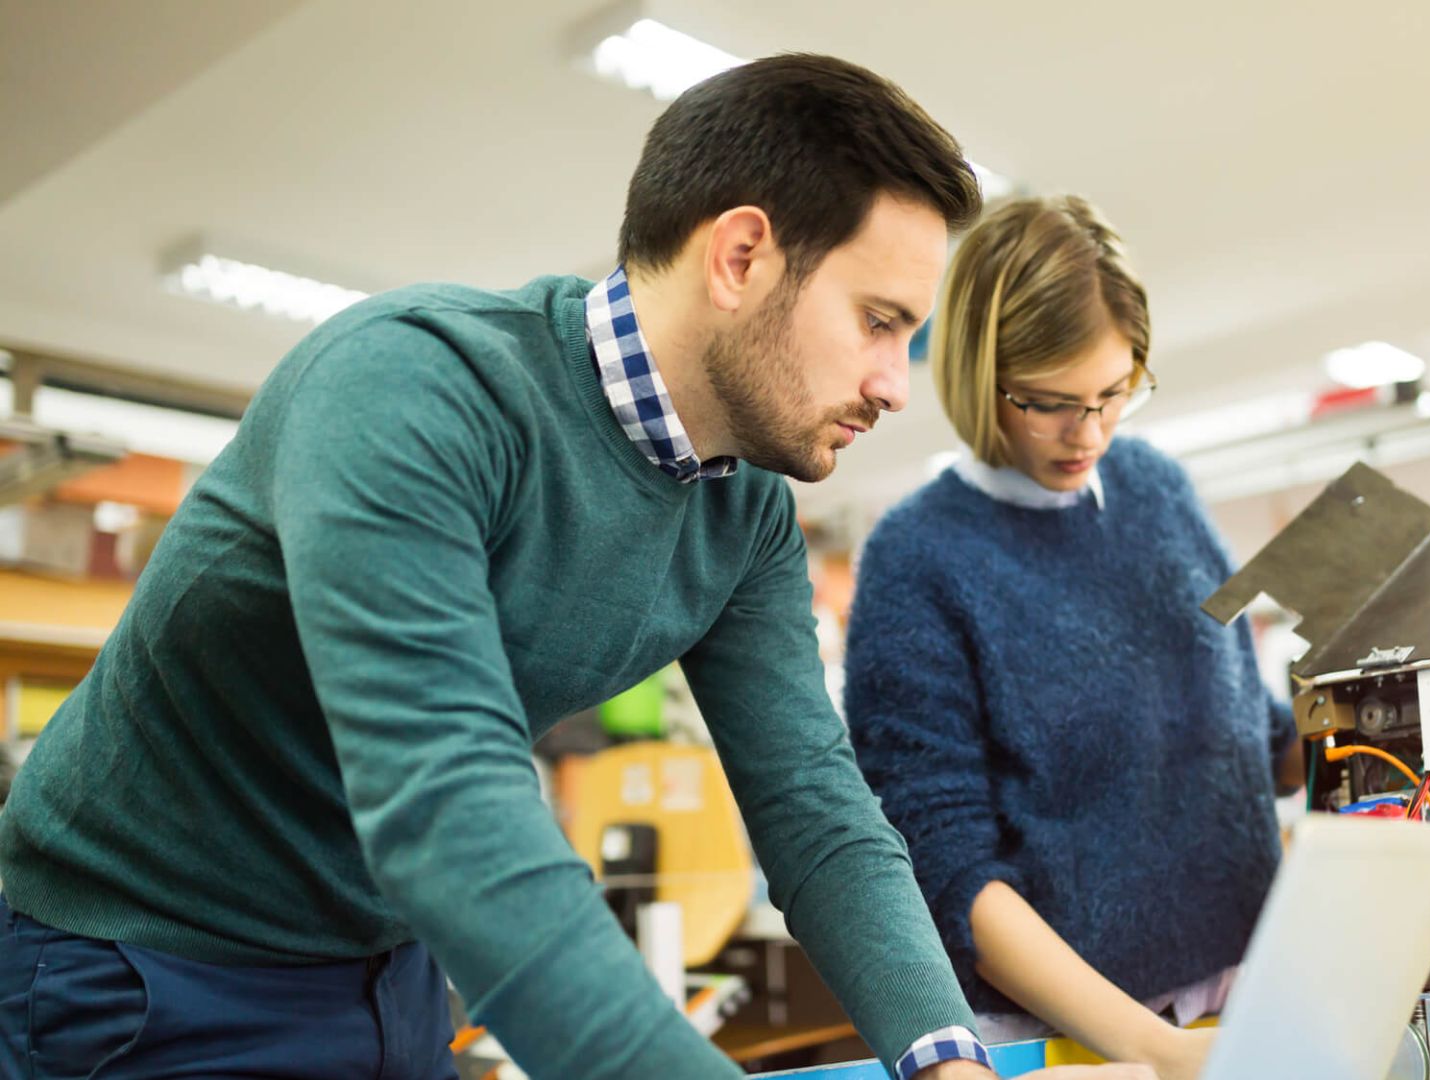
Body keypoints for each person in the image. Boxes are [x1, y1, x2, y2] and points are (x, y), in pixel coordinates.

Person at [0, 55, 1144, 1080]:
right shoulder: (413, 388)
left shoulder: (740, 509)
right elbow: (447, 797)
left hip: (394, 968)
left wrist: (946, 1066)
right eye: (880, 321)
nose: (899, 385)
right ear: (741, 256)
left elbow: (815, 809)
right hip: (143, 969)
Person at [844, 195, 1306, 1080]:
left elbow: (1254, 729)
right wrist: (1158, 1053)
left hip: (1250, 994)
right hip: (1083, 1038)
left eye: (1113, 394)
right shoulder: (920, 558)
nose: (1087, 433)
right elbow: (947, 872)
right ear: (981, 377)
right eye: (1049, 404)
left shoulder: (1158, 490)